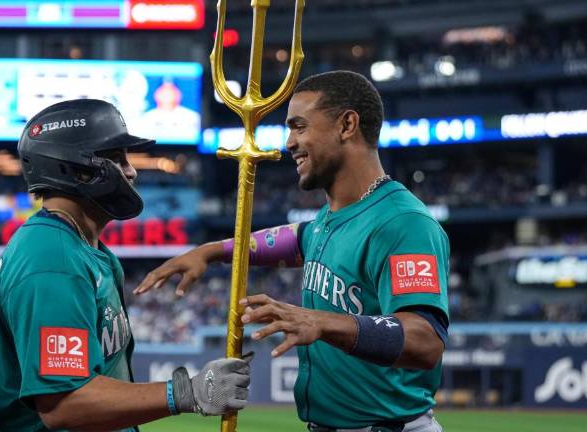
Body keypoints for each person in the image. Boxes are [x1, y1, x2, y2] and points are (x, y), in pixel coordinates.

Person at [135, 71, 449, 432]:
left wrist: (319, 321)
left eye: (299, 127)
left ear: (347, 125)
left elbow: (425, 340)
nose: (289, 142)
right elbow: (293, 239)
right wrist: (212, 251)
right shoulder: (331, 219)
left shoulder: (402, 222)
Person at [0, 99, 252, 432]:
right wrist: (189, 393)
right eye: (115, 158)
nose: (131, 171)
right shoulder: (53, 260)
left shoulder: (83, 248)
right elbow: (65, 405)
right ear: (73, 167)